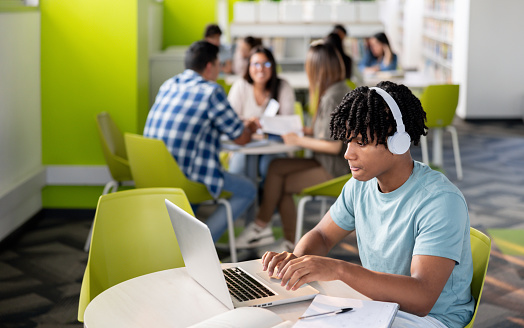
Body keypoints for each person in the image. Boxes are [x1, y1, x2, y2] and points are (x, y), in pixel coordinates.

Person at [261, 81, 475, 328]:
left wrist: (340, 270)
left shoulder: (440, 200)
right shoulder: (360, 185)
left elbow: (421, 298)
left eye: (361, 142)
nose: (347, 154)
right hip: (379, 305)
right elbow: (322, 235)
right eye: (348, 141)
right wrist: (296, 263)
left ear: (398, 141)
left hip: (429, 319)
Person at [234, 41, 351, 252]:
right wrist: (302, 130)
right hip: (324, 160)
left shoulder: (333, 95)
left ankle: (273, 233)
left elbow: (333, 147)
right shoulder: (335, 90)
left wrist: (297, 140)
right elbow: (325, 132)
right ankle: (264, 229)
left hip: (334, 167)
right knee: (276, 167)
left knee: (282, 184)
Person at [143, 40, 258, 242]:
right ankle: (197, 244)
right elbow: (240, 138)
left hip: (153, 174)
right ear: (209, 66)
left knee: (199, 180)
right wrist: (250, 127)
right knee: (249, 189)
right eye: (219, 65)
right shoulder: (211, 91)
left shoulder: (169, 84)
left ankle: (178, 242)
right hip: (186, 178)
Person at [227, 46, 296, 182]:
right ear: (249, 67)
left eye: (267, 64)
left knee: (268, 167)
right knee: (240, 166)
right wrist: (249, 122)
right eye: (255, 64)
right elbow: (230, 119)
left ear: (273, 66)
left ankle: (267, 202)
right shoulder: (240, 86)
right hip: (245, 144)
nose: (261, 68)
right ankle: (250, 200)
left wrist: (261, 124)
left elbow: (288, 122)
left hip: (276, 145)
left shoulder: (283, 86)